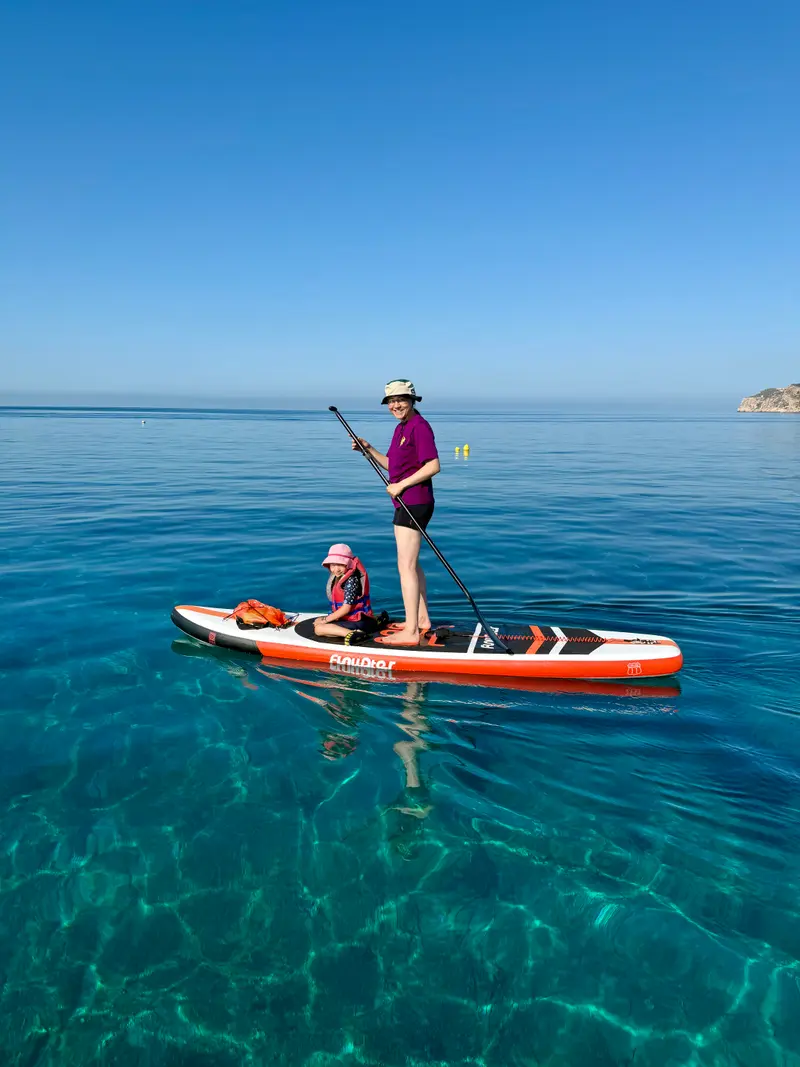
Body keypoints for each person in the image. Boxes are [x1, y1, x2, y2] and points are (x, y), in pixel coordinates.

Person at [352, 379, 440, 647]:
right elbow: (393, 466)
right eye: (391, 401)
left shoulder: (419, 427)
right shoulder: (401, 428)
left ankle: (412, 631)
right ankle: (422, 620)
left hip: (414, 501)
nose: (396, 405)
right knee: (413, 564)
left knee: (406, 566)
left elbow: (433, 465)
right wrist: (368, 450)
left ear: (412, 400)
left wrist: (401, 485)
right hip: (407, 501)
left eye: (401, 400)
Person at [313, 543, 378, 642]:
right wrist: (324, 619)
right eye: (333, 565)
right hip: (353, 619)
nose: (336, 569)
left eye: (340, 565)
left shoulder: (351, 580)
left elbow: (346, 609)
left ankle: (354, 634)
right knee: (317, 621)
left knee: (319, 629)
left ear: (348, 564)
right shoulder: (340, 577)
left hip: (361, 622)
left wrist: (325, 620)